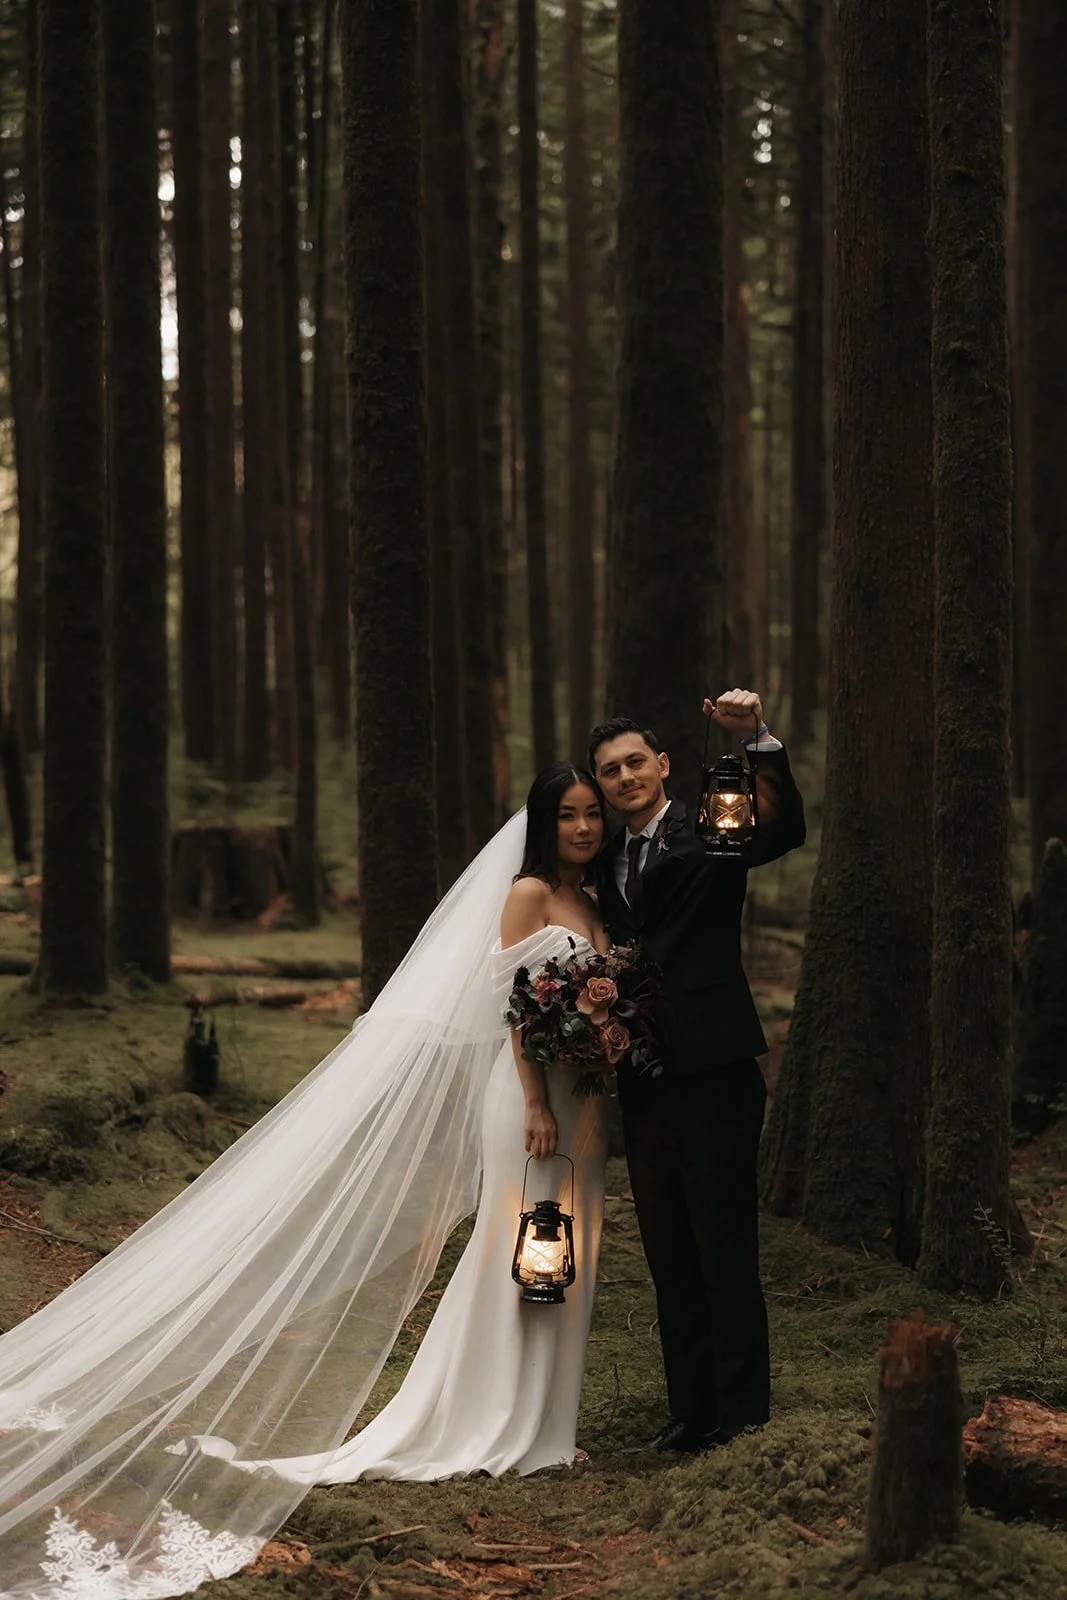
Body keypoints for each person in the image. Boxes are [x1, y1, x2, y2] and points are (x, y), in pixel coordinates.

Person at [0, 767, 610, 1600]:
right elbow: (509, 1003)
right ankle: (492, 1416)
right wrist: (537, 1099)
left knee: (570, 1251)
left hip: (585, 1102)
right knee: (525, 1243)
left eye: (591, 815)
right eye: (568, 815)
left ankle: (547, 1422)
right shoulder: (529, 892)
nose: (582, 826)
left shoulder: (592, 898)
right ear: (543, 823)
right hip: (532, 1101)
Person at [590, 688, 806, 1454]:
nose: (624, 778)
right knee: (668, 1255)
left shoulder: (710, 827)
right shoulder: (601, 859)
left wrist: (756, 741)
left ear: (663, 765)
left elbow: (782, 830)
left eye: (635, 762)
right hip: (643, 1083)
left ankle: (742, 1419)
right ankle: (687, 1418)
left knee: (723, 1250)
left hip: (715, 1069)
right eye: (609, 770)